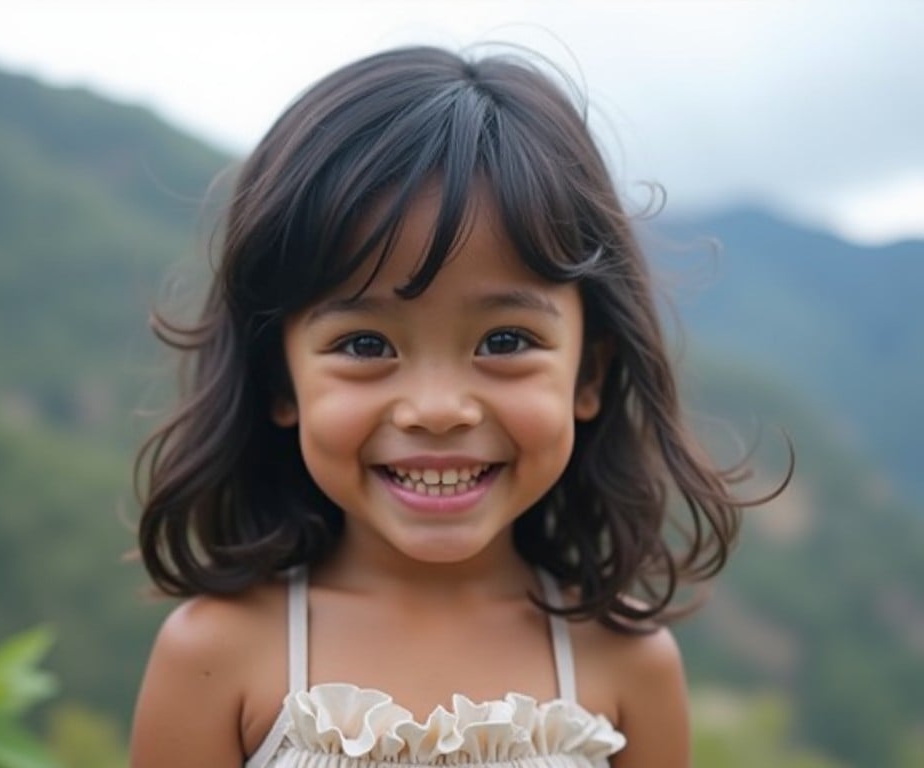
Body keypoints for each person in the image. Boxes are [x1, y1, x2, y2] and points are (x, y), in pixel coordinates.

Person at [130, 45, 780, 768]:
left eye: (505, 339)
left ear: (587, 375)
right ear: (281, 382)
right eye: (366, 345)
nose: (437, 410)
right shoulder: (217, 657)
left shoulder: (628, 666)